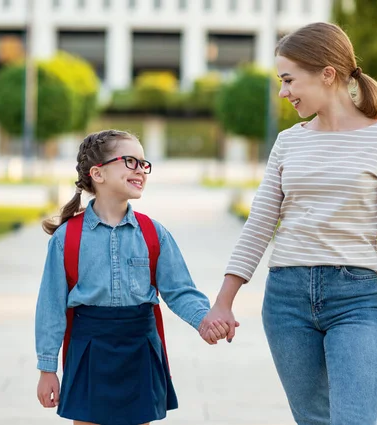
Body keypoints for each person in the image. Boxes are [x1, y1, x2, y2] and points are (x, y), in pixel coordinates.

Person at [200, 22, 377, 425]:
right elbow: (259, 224)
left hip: (356, 299)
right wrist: (224, 301)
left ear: (327, 73)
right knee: (314, 421)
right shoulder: (289, 141)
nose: (283, 92)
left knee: (354, 420)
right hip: (287, 299)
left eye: (288, 79)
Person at [35, 129, 230, 425]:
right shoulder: (66, 239)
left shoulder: (154, 233)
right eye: (130, 161)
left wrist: (205, 320)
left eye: (143, 163)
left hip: (140, 347)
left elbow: (180, 291)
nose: (141, 169)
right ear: (97, 174)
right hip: (89, 349)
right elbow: (50, 308)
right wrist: (47, 369)